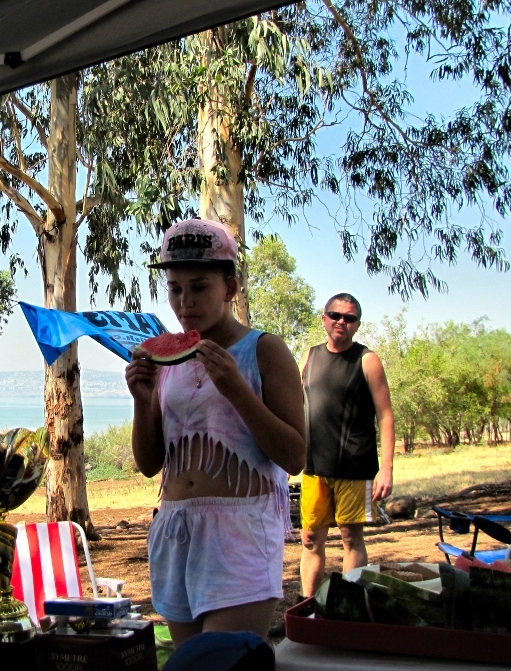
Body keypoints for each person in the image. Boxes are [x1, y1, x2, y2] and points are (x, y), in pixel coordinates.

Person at [125, 218, 306, 645]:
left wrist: (237, 390)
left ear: (231, 287)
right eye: (174, 289)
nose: (184, 302)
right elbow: (150, 464)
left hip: (239, 534)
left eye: (199, 286)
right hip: (175, 530)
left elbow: (295, 457)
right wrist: (141, 398)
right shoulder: (168, 359)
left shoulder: (265, 350)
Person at [298, 293, 395, 599]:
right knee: (311, 539)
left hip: (356, 466)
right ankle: (307, 608)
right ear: (324, 319)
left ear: (357, 325)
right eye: (335, 315)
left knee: (351, 538)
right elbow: (293, 404)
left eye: (349, 318)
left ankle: (347, 611)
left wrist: (387, 469)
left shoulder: (367, 360)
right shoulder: (309, 356)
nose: (341, 321)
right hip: (314, 467)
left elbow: (386, 415)